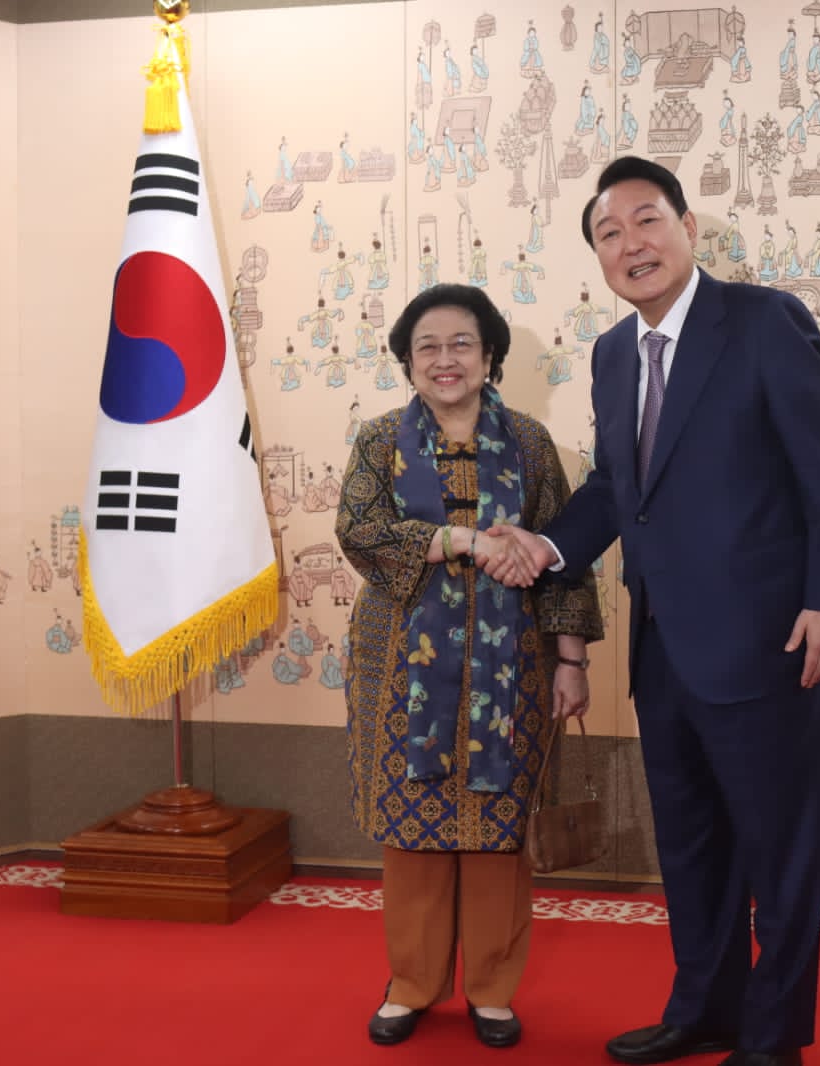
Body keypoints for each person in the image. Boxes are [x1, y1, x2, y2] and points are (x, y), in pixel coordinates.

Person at [483, 156, 820, 1066]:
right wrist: (546, 545)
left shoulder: (764, 322)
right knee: (692, 850)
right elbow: (619, 488)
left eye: (646, 221)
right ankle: (704, 1008)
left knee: (779, 853)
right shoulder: (614, 355)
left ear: (688, 228)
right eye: (609, 235)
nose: (630, 244)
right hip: (661, 649)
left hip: (770, 641)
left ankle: (772, 1039)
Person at [335, 284, 604, 1051]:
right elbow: (358, 528)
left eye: (461, 344)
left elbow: (567, 559)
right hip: (400, 669)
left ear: (489, 357)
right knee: (412, 832)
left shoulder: (528, 442)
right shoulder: (381, 439)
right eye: (428, 347)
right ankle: (411, 985)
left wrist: (571, 658)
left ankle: (491, 988)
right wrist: (459, 540)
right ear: (407, 361)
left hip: (510, 668)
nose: (444, 360)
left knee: (498, 831)